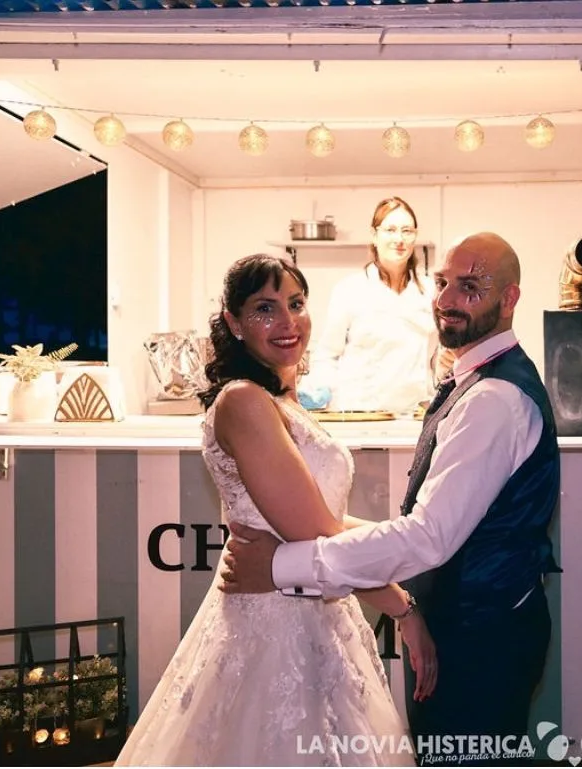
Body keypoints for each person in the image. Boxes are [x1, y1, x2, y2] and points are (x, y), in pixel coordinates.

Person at [220, 233, 562, 766]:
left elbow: (427, 536)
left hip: (481, 639)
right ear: (234, 321)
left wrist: (286, 564)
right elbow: (331, 521)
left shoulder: (495, 397)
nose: (447, 299)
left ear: (509, 298)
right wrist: (406, 609)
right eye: (444, 283)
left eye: (470, 287)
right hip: (436, 626)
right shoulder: (254, 401)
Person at [115, 253, 437, 767]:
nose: (288, 322)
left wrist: (415, 545)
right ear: (233, 323)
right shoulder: (243, 402)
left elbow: (324, 520)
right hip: (273, 626)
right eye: (265, 309)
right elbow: (316, 530)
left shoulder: (285, 402)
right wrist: (402, 605)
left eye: (296, 303)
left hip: (322, 612)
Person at [303, 196, 446, 413]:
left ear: (415, 236)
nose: (399, 238)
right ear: (374, 235)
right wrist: (320, 389)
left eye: (407, 231)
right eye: (390, 230)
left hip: (414, 413)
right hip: (360, 412)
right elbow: (327, 354)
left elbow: (437, 359)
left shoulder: (430, 293)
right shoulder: (350, 290)